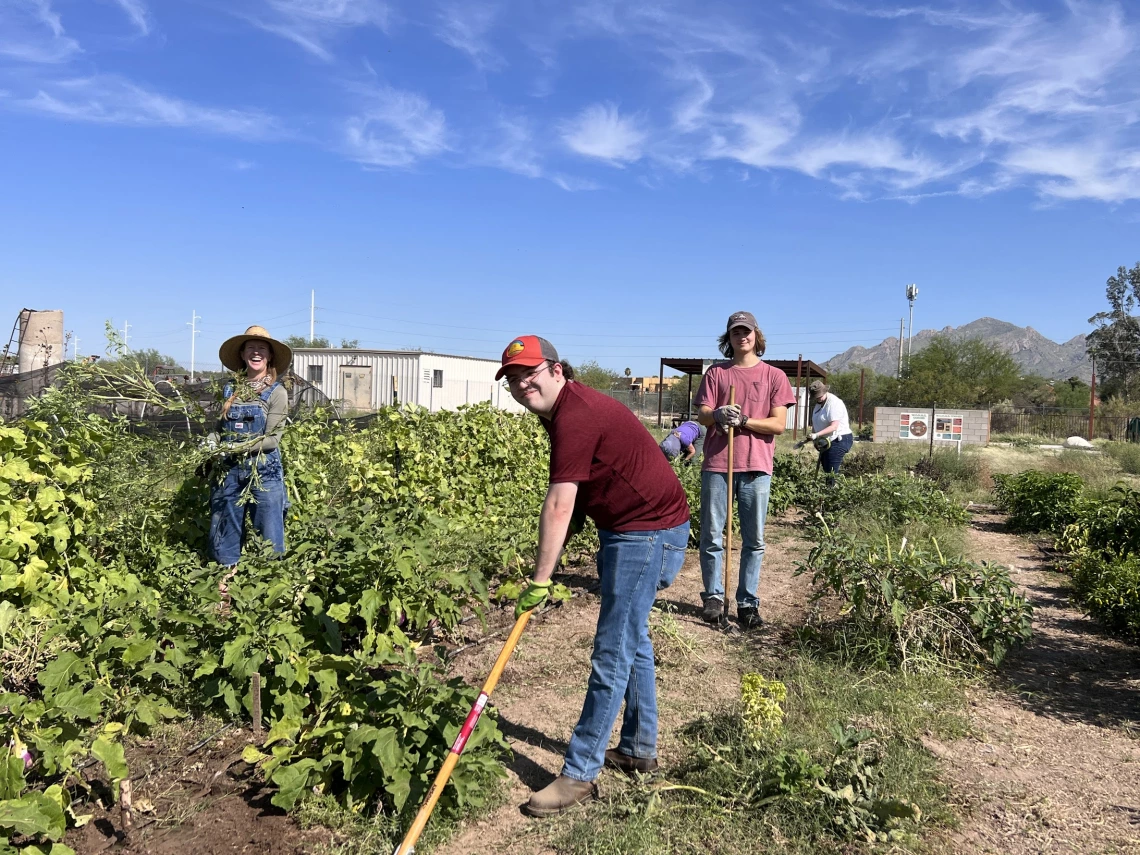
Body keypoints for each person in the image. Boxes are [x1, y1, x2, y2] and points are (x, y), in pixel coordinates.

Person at [497, 335, 690, 817]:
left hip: (646, 534)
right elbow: (585, 486)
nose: (523, 387)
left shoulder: (575, 414)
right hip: (638, 527)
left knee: (612, 650)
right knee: (632, 640)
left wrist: (541, 578)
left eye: (530, 375)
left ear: (557, 370)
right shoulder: (564, 410)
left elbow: (561, 501)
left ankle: (580, 773)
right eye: (514, 381)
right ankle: (639, 748)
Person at [694, 311, 795, 629]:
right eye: (736, 332)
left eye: (747, 331)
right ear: (729, 338)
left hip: (756, 466)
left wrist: (745, 421)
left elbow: (779, 425)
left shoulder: (774, 376)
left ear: (756, 335)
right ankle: (713, 597)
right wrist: (719, 414)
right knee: (712, 534)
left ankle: (747, 603)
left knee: (754, 539)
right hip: (718, 465)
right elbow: (703, 415)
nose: (742, 336)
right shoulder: (716, 374)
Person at [208, 325, 291, 601]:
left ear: (269, 357)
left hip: (264, 470)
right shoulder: (230, 389)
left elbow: (272, 439)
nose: (256, 352)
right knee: (225, 525)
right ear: (243, 354)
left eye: (262, 348)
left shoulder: (277, 392)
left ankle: (270, 592)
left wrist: (239, 445)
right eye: (251, 347)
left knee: (268, 531)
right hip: (230, 470)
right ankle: (225, 590)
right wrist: (211, 442)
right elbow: (219, 428)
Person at [806, 379, 853, 477]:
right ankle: (828, 489)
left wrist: (816, 435)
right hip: (825, 440)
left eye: (820, 396)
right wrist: (815, 440)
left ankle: (832, 490)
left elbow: (834, 426)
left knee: (831, 471)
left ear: (825, 391)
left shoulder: (834, 403)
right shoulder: (818, 405)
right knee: (826, 469)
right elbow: (816, 423)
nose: (818, 399)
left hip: (838, 439)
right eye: (816, 397)